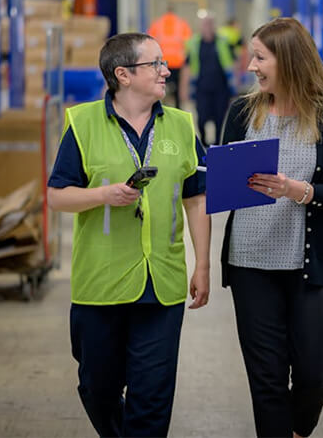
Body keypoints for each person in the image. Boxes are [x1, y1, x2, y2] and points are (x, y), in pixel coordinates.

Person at [47, 32, 211, 437]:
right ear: (123, 74)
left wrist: (202, 264)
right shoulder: (82, 124)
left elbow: (196, 198)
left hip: (163, 282)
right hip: (100, 282)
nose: (165, 70)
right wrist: (103, 194)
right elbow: (56, 196)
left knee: (152, 396)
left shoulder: (180, 125)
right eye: (154, 63)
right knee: (97, 388)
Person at [218, 17, 323, 438]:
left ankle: (298, 431)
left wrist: (297, 189)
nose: (251, 66)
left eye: (260, 57)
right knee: (267, 380)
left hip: (308, 267)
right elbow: (224, 186)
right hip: (250, 263)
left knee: (314, 373)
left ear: (290, 60)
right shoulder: (242, 111)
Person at [183, 16, 235, 146]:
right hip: (202, 88)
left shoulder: (222, 42)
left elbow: (233, 62)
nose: (207, 27)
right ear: (200, 27)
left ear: (214, 26)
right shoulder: (195, 43)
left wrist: (235, 83)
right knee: (201, 118)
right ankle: (204, 141)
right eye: (205, 24)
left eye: (210, 24)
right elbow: (187, 67)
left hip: (221, 88)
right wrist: (184, 89)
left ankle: (217, 145)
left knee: (220, 119)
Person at [147, 6, 192, 109]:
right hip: (178, 62)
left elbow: (150, 42)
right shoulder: (182, 24)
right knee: (177, 90)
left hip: (162, 63)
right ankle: (177, 109)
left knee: (160, 88)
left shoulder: (157, 24)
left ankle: (159, 109)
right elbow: (188, 44)